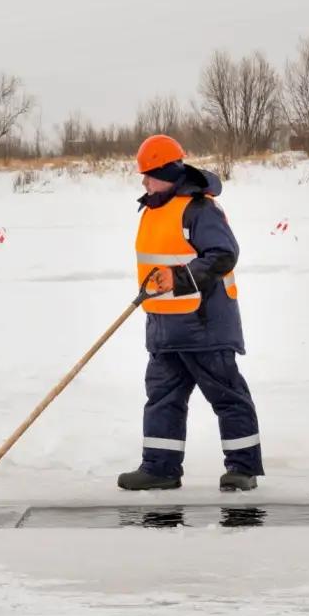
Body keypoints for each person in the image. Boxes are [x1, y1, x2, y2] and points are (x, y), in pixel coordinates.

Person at [120, 134, 265, 493]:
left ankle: (243, 469)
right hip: (164, 328)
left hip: (205, 326)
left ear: (168, 173)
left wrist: (179, 277)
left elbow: (222, 254)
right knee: (162, 399)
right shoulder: (152, 210)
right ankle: (160, 468)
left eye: (149, 174)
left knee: (227, 396)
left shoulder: (199, 210)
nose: (144, 182)